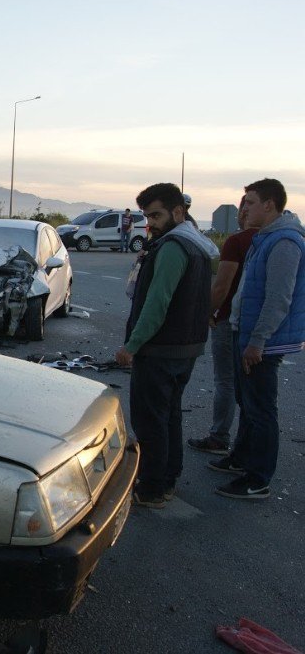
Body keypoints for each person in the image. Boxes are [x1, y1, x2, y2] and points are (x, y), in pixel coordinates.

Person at [115, 182, 217, 508]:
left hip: (161, 351)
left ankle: (152, 487)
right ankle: (167, 479)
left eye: (156, 215)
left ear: (178, 211)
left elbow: (156, 304)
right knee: (169, 416)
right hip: (186, 347)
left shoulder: (173, 246)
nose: (151, 223)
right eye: (147, 216)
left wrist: (132, 345)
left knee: (150, 421)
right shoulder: (198, 244)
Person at [210, 179, 304, 499]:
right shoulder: (263, 238)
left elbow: (279, 298)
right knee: (247, 403)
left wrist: (258, 341)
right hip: (245, 333)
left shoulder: (285, 242)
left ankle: (258, 478)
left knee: (261, 410)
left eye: (250, 202)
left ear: (269, 205)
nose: (243, 208)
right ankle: (242, 458)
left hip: (263, 342)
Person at [188, 197, 259, 455]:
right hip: (258, 325)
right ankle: (247, 446)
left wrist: (207, 312)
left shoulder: (237, 241)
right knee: (251, 388)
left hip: (228, 318)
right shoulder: (274, 241)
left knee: (225, 381)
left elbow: (222, 285)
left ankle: (219, 436)